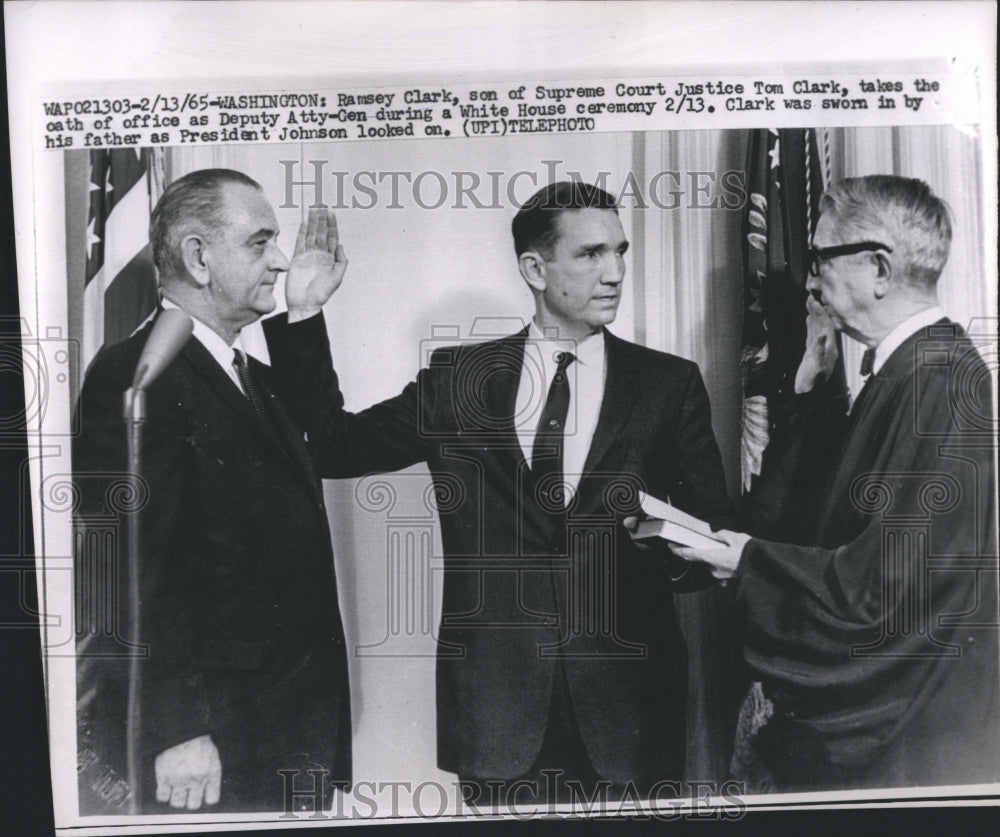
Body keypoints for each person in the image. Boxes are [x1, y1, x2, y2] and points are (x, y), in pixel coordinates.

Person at [263, 181, 735, 804]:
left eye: (620, 252)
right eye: (591, 254)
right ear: (534, 269)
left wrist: (661, 548)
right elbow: (330, 447)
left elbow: (715, 539)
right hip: (497, 713)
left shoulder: (669, 385)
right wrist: (304, 313)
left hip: (633, 708)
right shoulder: (459, 381)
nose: (616, 272)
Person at [673, 175, 999, 791]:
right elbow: (819, 523)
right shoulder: (907, 372)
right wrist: (805, 393)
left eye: (820, 257)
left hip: (914, 751)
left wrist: (745, 561)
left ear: (879, 268)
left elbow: (882, 594)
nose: (811, 279)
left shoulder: (938, 383)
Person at [74, 169, 351, 813]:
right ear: (199, 257)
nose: (280, 261)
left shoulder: (248, 374)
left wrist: (304, 313)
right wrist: (176, 728)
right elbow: (124, 568)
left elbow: (326, 443)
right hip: (208, 745)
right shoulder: (137, 370)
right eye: (260, 242)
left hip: (279, 728)